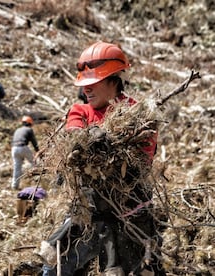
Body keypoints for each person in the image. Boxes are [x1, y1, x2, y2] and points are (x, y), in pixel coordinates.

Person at [39, 41, 164, 275]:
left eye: (94, 82)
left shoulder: (140, 116)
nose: (86, 89)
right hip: (88, 211)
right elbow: (75, 142)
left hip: (130, 212)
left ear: (114, 81)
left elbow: (142, 159)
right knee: (55, 266)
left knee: (131, 269)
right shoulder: (81, 111)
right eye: (84, 84)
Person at [11, 116, 39, 190]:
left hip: (14, 149)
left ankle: (14, 185)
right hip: (22, 147)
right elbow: (34, 141)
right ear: (30, 123)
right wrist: (38, 151)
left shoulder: (17, 130)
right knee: (34, 162)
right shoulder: (29, 129)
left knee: (17, 168)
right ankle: (37, 179)